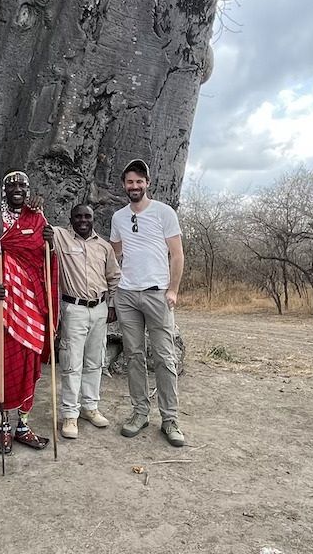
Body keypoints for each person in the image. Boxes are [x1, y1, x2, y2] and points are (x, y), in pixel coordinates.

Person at [0, 171, 58, 455]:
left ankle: (23, 424)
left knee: (29, 364)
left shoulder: (37, 218)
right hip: (3, 305)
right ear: (5, 191)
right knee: (1, 364)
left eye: (22, 185)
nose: (17, 189)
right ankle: (4, 427)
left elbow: (46, 259)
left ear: (28, 188)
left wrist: (50, 240)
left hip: (31, 306)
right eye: (11, 185)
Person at [109, 159, 187, 447]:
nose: (134, 186)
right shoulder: (118, 218)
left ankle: (170, 419)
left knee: (165, 358)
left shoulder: (164, 213)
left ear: (148, 183)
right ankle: (140, 412)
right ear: (124, 185)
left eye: (139, 181)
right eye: (130, 181)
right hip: (127, 294)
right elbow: (115, 254)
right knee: (134, 356)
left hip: (157, 293)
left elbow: (177, 254)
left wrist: (173, 289)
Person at [49, 203, 120, 440]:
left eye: (87, 216)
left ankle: (90, 407)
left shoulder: (104, 246)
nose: (82, 220)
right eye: (78, 216)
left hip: (99, 308)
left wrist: (112, 305)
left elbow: (114, 277)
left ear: (93, 219)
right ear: (71, 219)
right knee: (71, 362)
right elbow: (41, 226)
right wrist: (34, 203)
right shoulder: (61, 237)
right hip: (74, 309)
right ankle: (70, 413)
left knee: (95, 360)